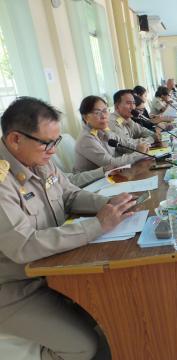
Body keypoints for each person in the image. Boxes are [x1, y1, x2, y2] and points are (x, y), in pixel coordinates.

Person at [0, 97, 136, 359]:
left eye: (56, 142)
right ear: (15, 139)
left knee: (114, 312)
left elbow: (70, 195)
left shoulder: (40, 159)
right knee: (82, 345)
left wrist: (110, 204)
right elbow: (24, 245)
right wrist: (96, 226)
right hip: (17, 288)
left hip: (55, 270)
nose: (53, 151)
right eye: (47, 143)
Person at [74, 95, 147, 172]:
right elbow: (110, 164)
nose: (103, 116)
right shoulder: (86, 139)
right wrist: (138, 153)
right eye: (97, 112)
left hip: (110, 175)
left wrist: (139, 147)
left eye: (105, 111)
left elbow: (124, 144)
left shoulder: (103, 129)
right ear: (86, 117)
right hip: (94, 182)